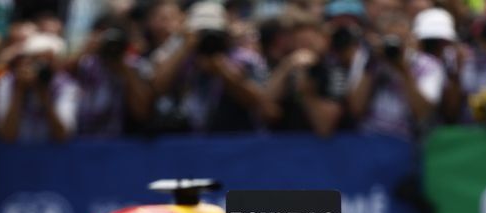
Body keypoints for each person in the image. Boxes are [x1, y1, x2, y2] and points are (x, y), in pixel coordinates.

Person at [148, 0, 270, 133]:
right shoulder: (180, 57)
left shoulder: (245, 59)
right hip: (185, 141)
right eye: (202, 33)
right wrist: (186, 46)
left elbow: (262, 106)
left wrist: (220, 68)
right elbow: (157, 88)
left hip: (233, 140)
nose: (207, 38)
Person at [349, 10, 444, 140]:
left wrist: (404, 70)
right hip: (368, 138)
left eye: (401, 40)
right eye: (390, 40)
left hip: (407, 140)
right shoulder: (367, 60)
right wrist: (370, 66)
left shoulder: (429, 66)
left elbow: (423, 114)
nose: (396, 47)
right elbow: (355, 110)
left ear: (412, 38)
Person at [264, 10, 349, 135]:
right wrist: (287, 67)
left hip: (321, 150)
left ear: (324, 39)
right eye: (299, 42)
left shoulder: (335, 71)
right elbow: (263, 109)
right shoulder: (284, 68)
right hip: (284, 147)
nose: (305, 48)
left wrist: (305, 92)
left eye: (310, 41)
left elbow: (325, 127)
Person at [72, 14, 152, 137]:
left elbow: (142, 112)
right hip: (82, 140)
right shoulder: (86, 62)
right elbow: (60, 73)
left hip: (119, 142)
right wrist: (86, 49)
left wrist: (124, 68)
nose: (111, 47)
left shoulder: (134, 65)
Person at [0, 31, 78, 142]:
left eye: (48, 61)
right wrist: (18, 91)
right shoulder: (9, 82)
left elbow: (62, 135)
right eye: (36, 60)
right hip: (15, 155)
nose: (42, 66)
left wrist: (43, 94)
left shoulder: (66, 86)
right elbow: (7, 134)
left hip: (51, 156)